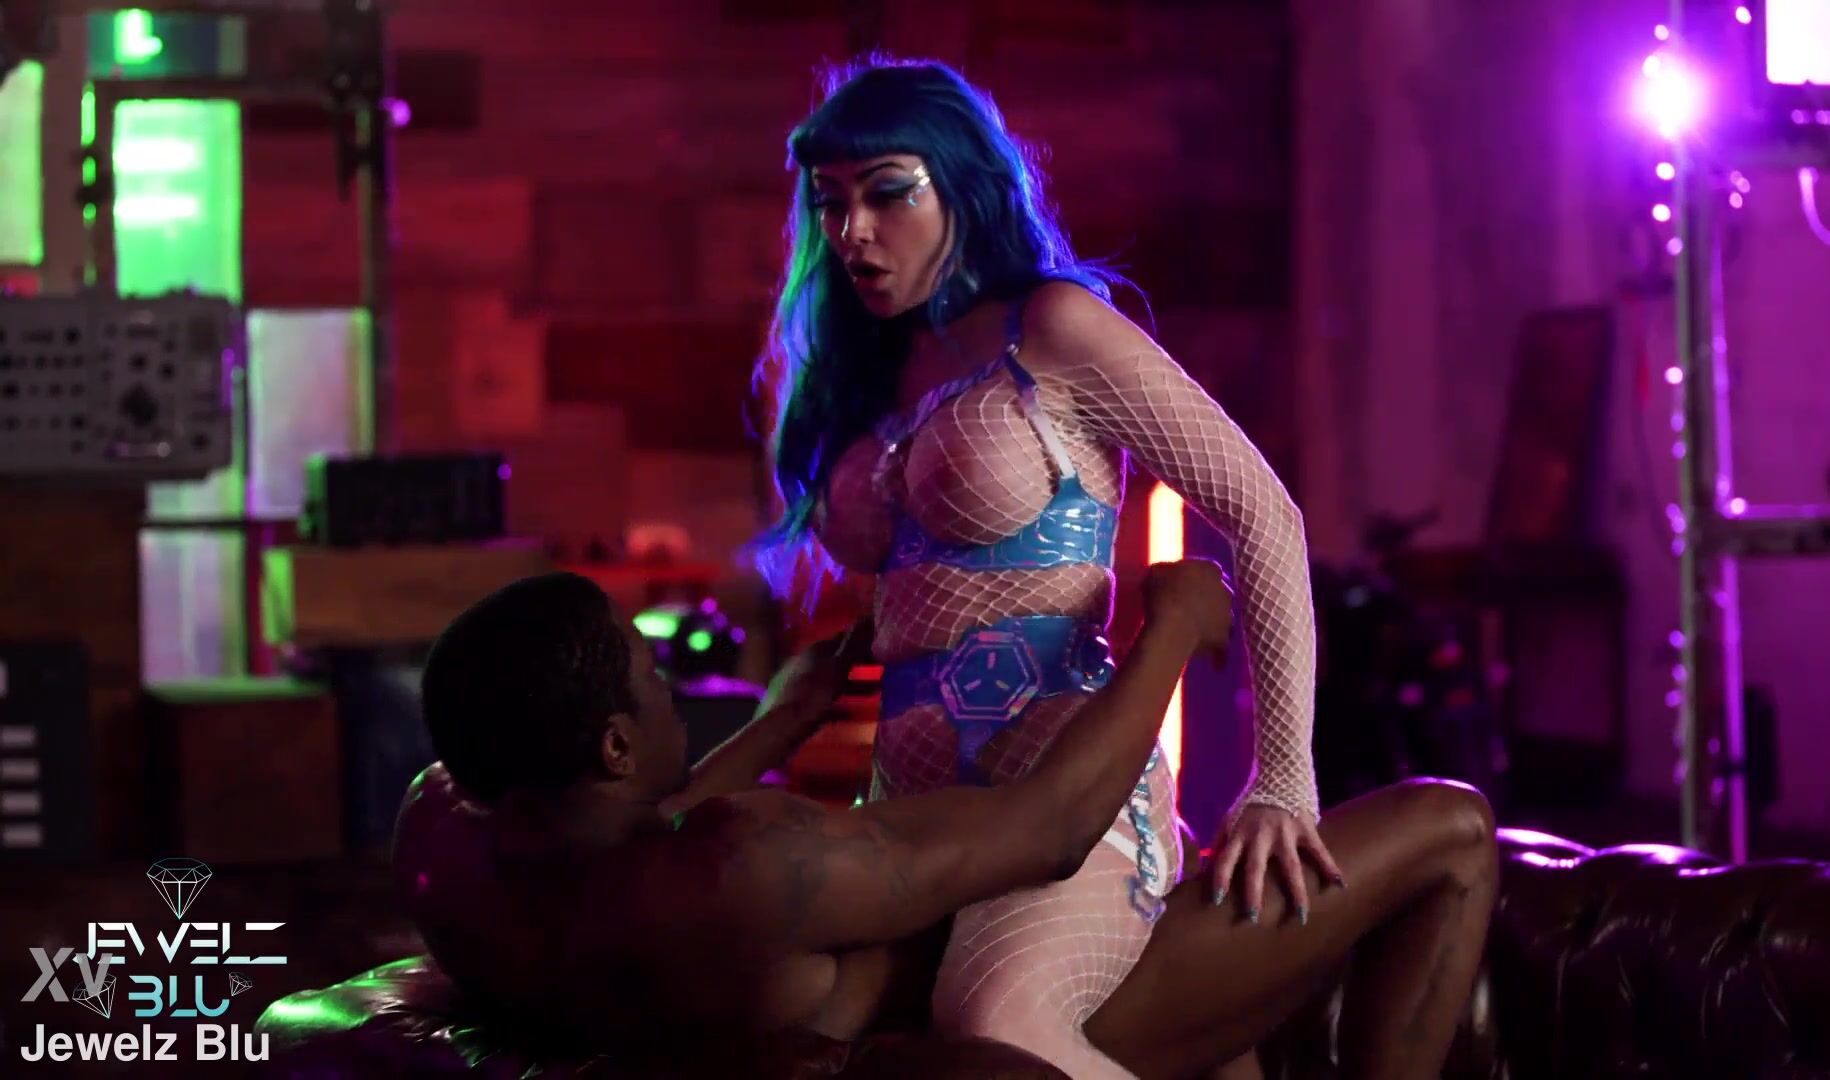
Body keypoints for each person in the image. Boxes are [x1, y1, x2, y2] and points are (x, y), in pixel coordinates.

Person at [751, 57, 1481, 1075]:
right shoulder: (866, 370)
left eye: (887, 193)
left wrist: (1284, 778)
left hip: (1072, 792)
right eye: (830, 203)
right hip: (915, 818)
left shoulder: (1053, 328)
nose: (852, 231)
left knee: (996, 1027)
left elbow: (1264, 513)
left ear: (962, 185)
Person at [402, 567, 1498, 1079]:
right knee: (1452, 829)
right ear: (612, 745)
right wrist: (1172, 629)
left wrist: (780, 723)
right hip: (1022, 1000)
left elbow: (621, 835)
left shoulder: (448, 842)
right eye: (652, 677)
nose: (671, 689)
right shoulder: (752, 867)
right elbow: (1050, 828)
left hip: (933, 982)